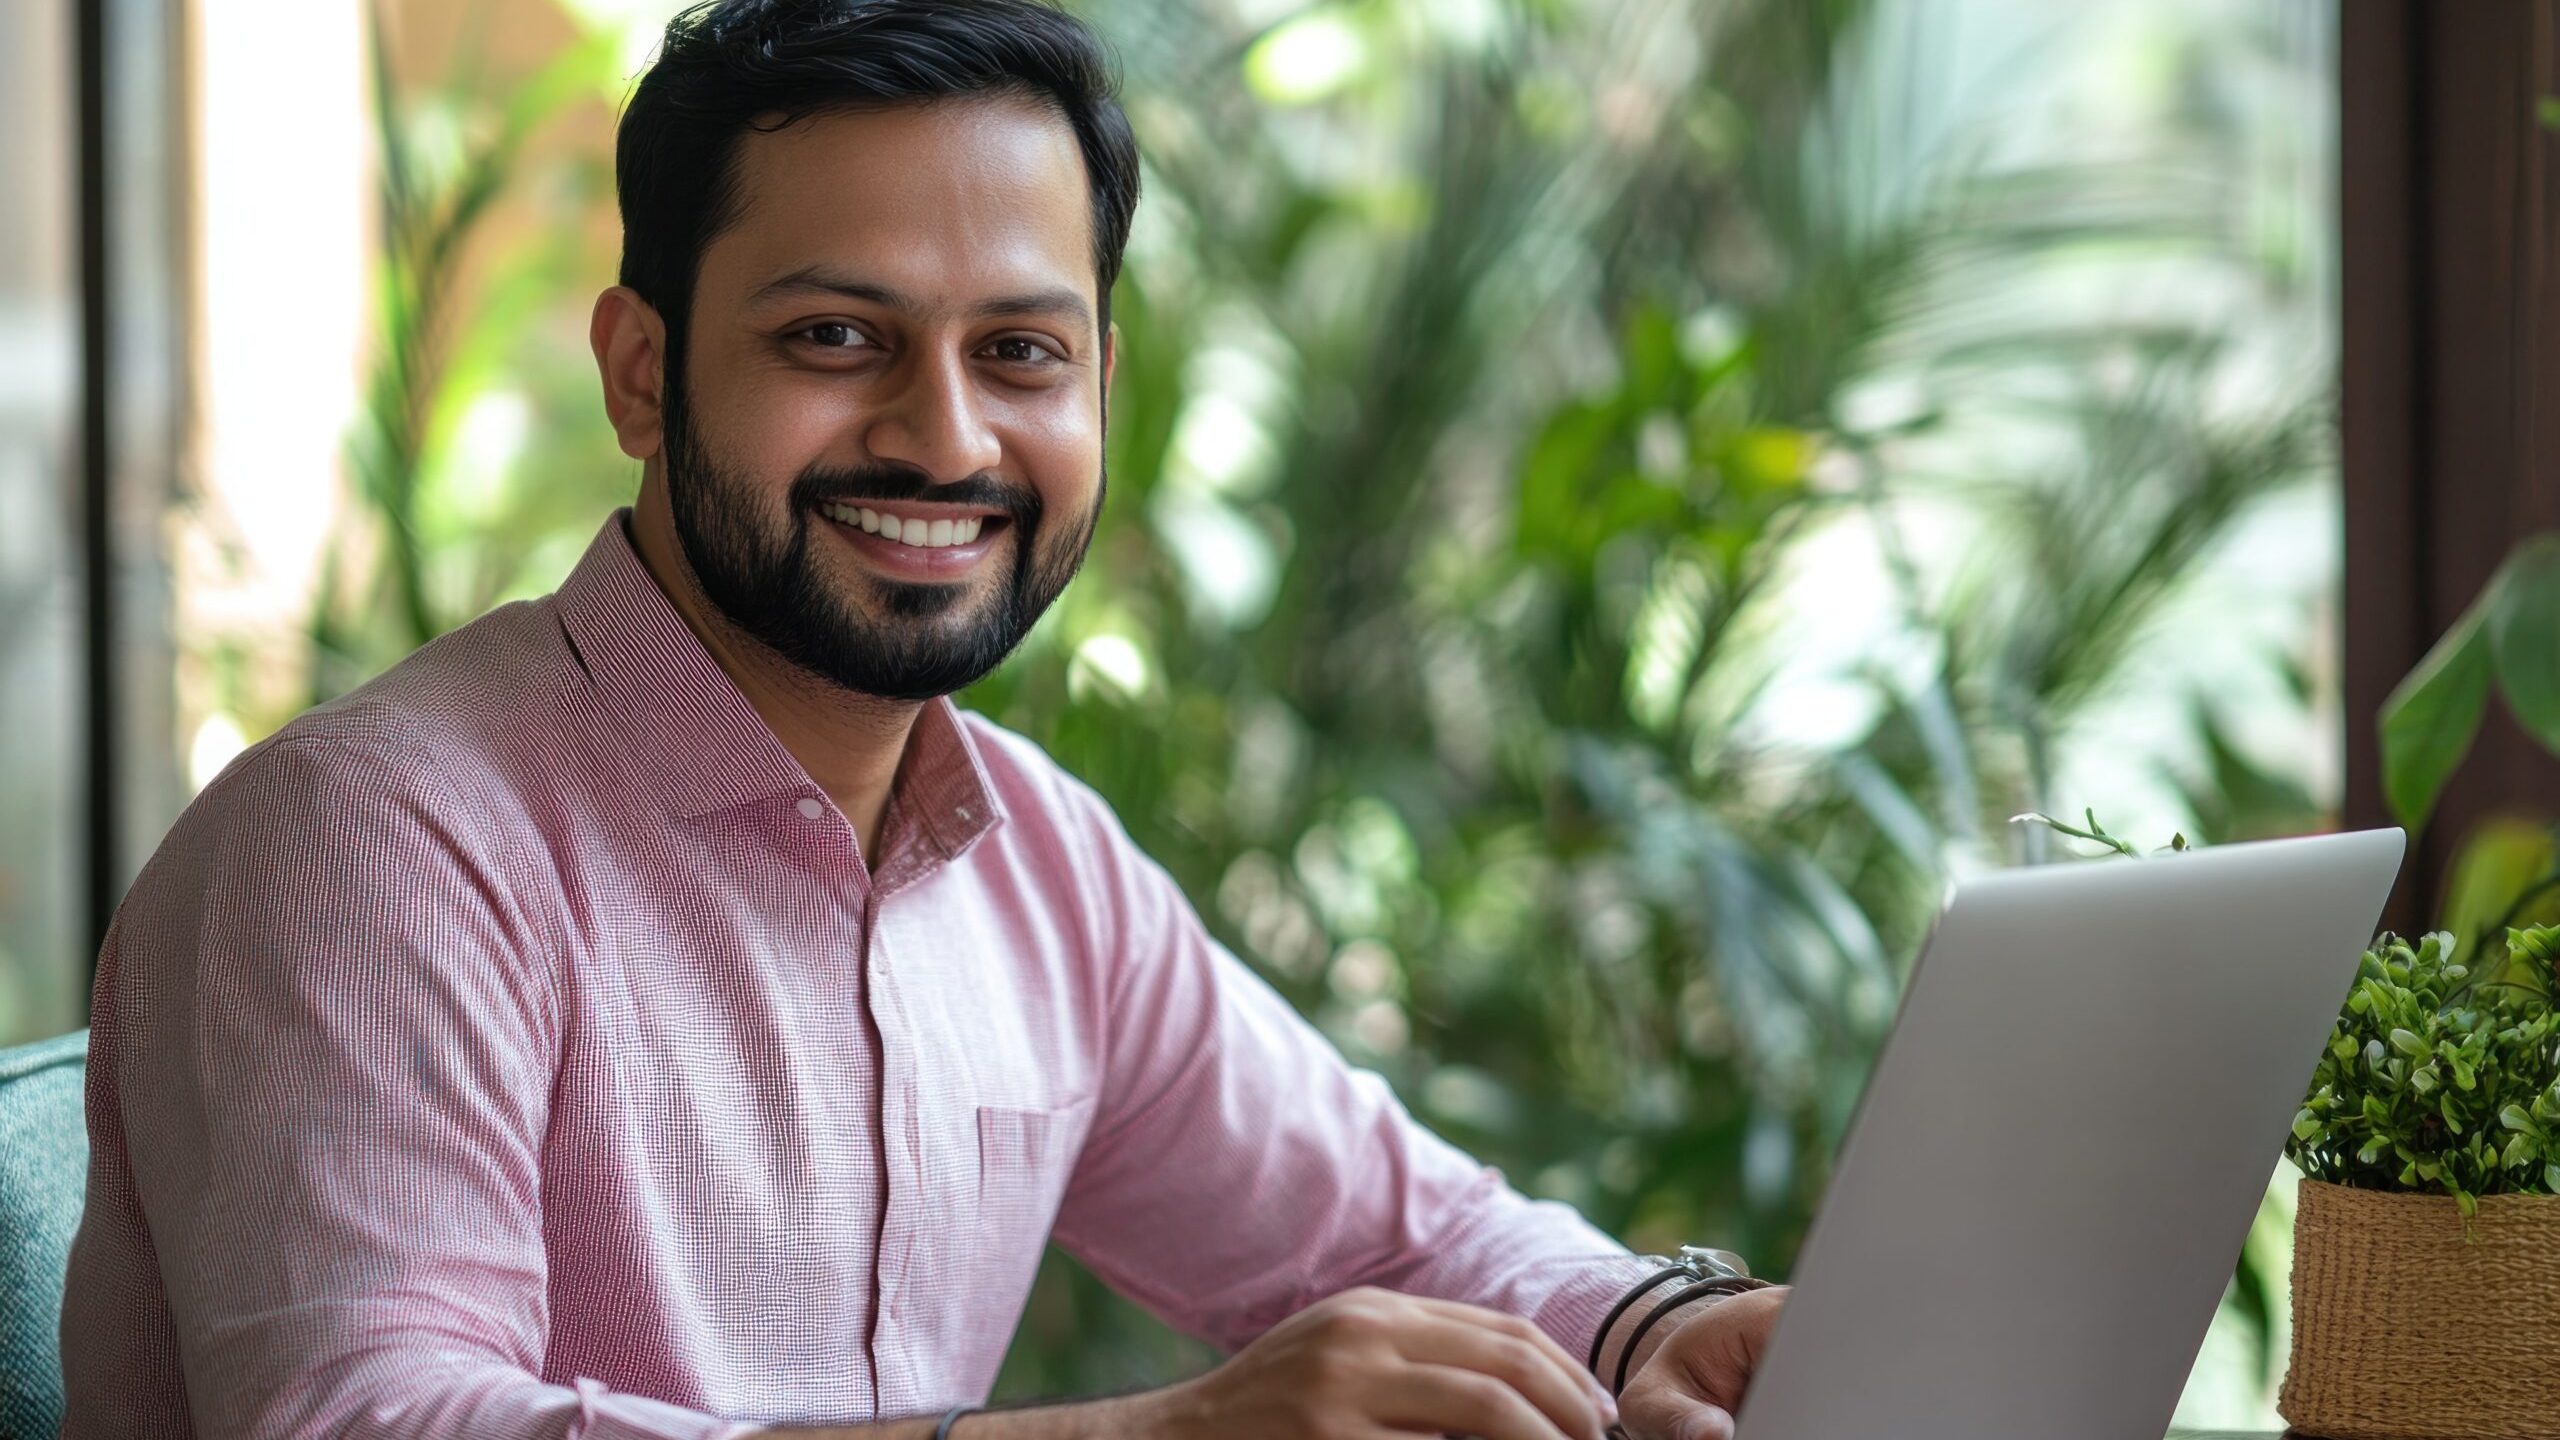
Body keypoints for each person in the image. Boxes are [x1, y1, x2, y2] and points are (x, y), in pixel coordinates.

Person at [58, 2, 1786, 1436]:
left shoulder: (1031, 862)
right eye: (835, 336)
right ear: (641, 371)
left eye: (1020, 354)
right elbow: (370, 1421)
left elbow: (1393, 1228)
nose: (944, 437)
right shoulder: (377, 847)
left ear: (1101, 383)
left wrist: (1650, 1331)